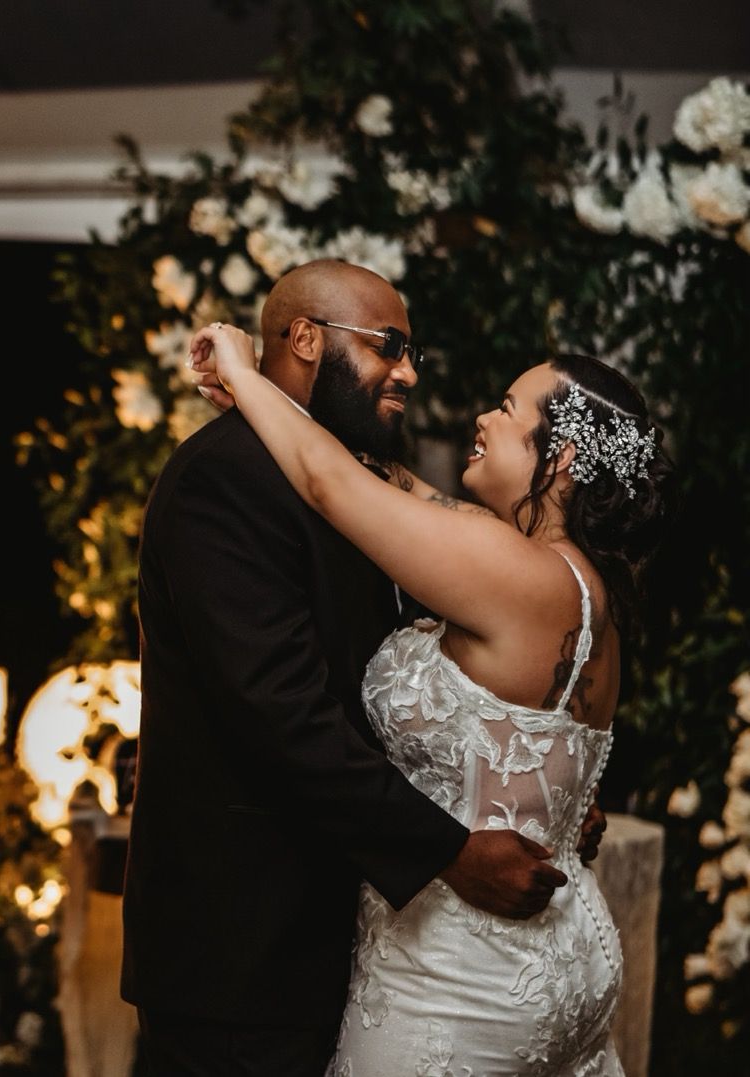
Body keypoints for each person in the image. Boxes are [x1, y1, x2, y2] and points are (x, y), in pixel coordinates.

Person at [120, 260, 601, 1075]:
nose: (408, 372)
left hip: (352, 940)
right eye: (389, 346)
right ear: (305, 338)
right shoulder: (224, 478)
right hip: (241, 955)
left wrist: (541, 793)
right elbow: (278, 713)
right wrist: (450, 846)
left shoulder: (361, 485)